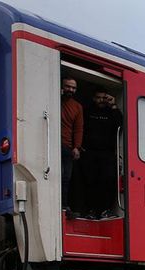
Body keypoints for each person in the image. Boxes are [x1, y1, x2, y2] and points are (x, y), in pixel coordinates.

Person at [81, 88, 122, 218]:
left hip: (107, 153)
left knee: (108, 182)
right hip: (89, 152)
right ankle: (91, 210)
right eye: (98, 97)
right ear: (94, 98)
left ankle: (106, 209)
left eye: (104, 98)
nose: (101, 100)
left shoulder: (112, 113)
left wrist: (114, 105)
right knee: (90, 182)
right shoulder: (87, 111)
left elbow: (120, 124)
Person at [60, 76, 83, 214]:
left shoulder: (77, 107)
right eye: (68, 86)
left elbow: (79, 128)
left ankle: (64, 204)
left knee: (66, 177)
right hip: (54, 142)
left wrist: (77, 147)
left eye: (73, 88)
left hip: (67, 146)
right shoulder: (55, 99)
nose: (70, 90)